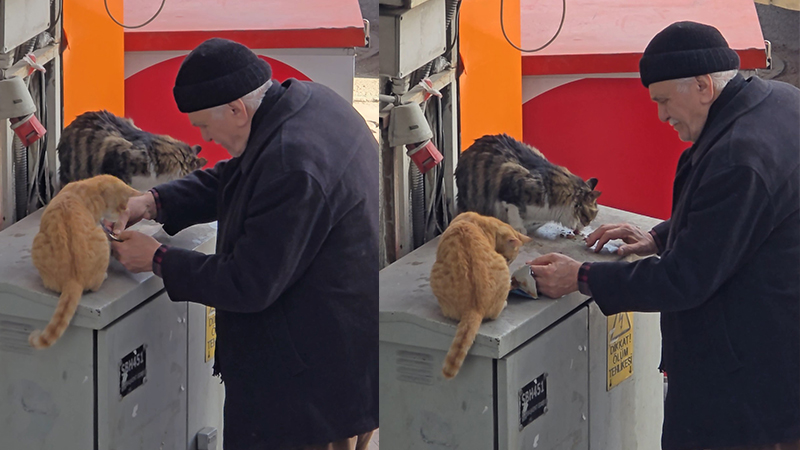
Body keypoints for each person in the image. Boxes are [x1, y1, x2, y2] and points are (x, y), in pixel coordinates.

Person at [528, 22, 800, 450]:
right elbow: (744, 218)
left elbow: (684, 280)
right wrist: (659, 237)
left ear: (704, 86)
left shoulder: (738, 159)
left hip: (743, 393)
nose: (661, 115)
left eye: (663, 100)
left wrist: (581, 277)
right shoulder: (782, 103)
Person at [110, 38, 378, 450]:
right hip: (336, 367)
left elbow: (248, 282)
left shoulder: (293, 164)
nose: (204, 137)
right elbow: (240, 176)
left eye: (203, 125)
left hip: (304, 395)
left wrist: (158, 258)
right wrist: (154, 202)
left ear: (236, 109)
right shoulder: (308, 105)